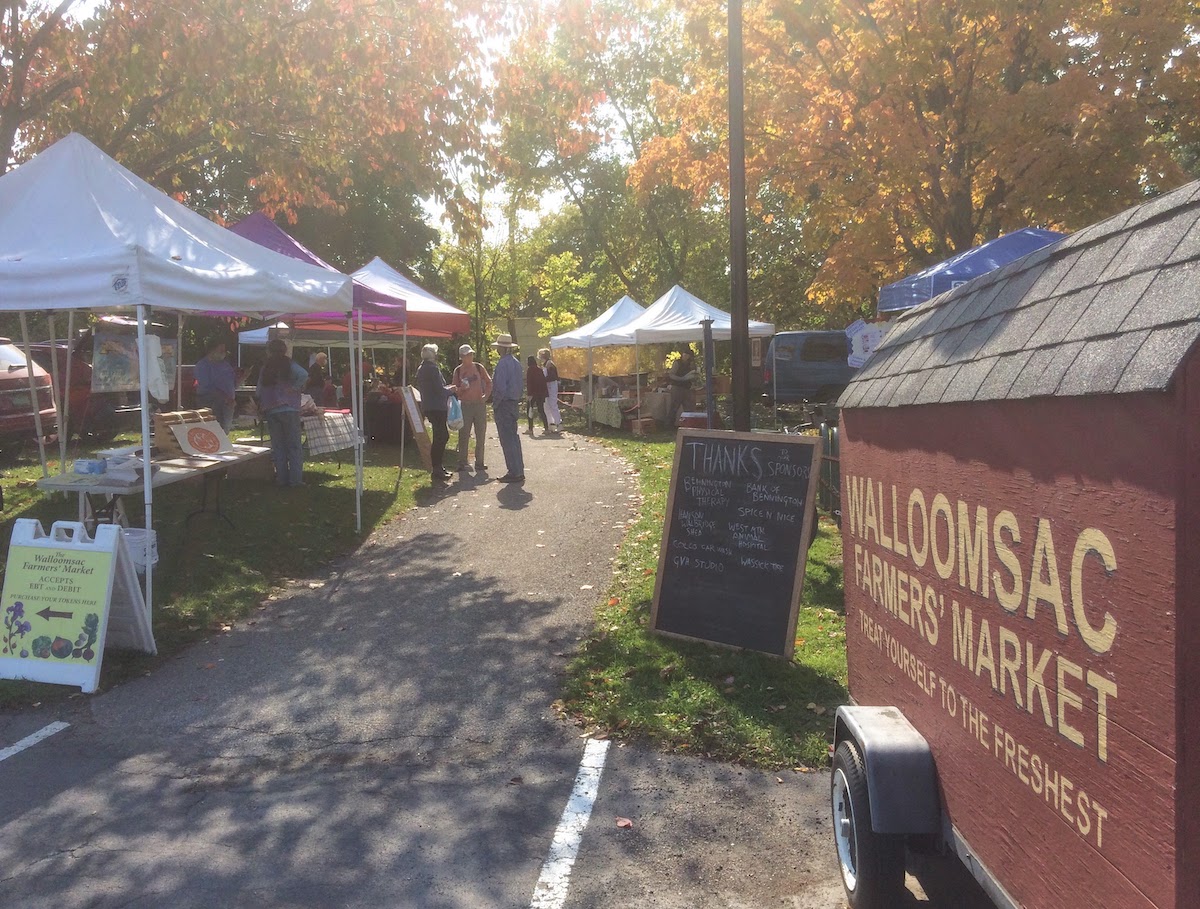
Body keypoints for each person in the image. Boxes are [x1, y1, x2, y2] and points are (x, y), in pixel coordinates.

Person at [256, 338, 308, 487]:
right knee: (294, 446)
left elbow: (259, 390)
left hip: (271, 409)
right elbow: (304, 374)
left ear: (269, 351)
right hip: (290, 408)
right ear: (285, 350)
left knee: (278, 446)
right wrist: (295, 387)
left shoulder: (266, 368)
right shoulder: (289, 364)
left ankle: (281, 478)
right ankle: (296, 480)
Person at [416, 343, 455, 484]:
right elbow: (439, 389)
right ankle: (437, 468)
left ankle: (438, 467)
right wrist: (451, 390)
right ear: (433, 355)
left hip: (428, 406)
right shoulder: (432, 369)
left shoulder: (421, 369)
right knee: (441, 436)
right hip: (437, 407)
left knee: (440, 436)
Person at [490, 334, 524, 483]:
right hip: (514, 402)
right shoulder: (516, 363)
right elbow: (520, 385)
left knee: (507, 439)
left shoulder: (502, 364)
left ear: (501, 348)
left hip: (504, 403)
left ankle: (514, 471)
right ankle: (518, 469)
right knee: (514, 438)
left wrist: (495, 404)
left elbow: (500, 388)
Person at [452, 344, 492, 471]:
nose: (469, 357)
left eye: (471, 354)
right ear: (461, 357)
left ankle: (479, 462)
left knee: (480, 433)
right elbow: (454, 389)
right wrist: (461, 389)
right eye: (466, 355)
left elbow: (489, 382)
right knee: (464, 434)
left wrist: (486, 396)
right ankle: (462, 462)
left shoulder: (479, 367)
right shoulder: (458, 371)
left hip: (479, 404)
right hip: (465, 405)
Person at [195, 338, 236, 432]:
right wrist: (225, 397)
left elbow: (232, 384)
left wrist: (242, 377)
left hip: (228, 404)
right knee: (213, 430)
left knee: (225, 430)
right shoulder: (202, 365)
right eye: (221, 350)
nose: (224, 352)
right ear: (212, 350)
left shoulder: (226, 365)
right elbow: (207, 386)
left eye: (224, 350)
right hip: (210, 403)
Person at [667, 349, 699, 427]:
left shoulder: (691, 364)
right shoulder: (677, 363)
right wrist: (681, 379)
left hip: (687, 388)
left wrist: (694, 377)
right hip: (677, 387)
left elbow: (695, 376)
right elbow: (671, 374)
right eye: (685, 355)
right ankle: (669, 425)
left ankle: (689, 424)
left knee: (688, 407)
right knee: (674, 407)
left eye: (688, 355)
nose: (686, 357)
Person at [539, 348, 562, 432]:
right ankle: (551, 423)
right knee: (546, 405)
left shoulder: (550, 364)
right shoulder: (546, 364)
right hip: (547, 386)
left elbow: (552, 377)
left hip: (551, 386)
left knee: (553, 404)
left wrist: (542, 380)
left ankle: (558, 423)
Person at [526, 355, 549, 435]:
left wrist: (529, 394)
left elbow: (529, 383)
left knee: (530, 410)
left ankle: (530, 429)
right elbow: (543, 381)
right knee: (541, 410)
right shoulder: (539, 369)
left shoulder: (530, 370)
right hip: (541, 393)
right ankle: (546, 428)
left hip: (533, 393)